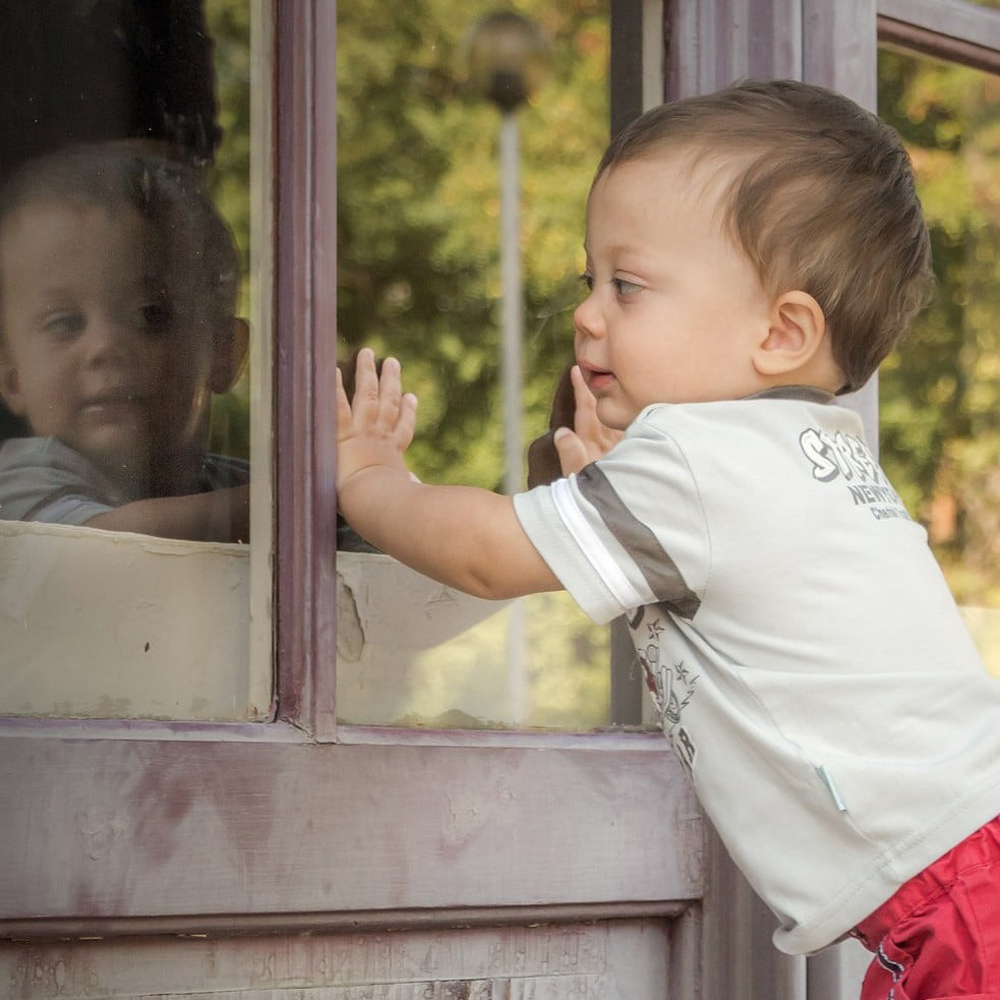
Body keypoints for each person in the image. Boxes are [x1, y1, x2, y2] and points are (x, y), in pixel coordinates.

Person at [335, 79, 1000, 996]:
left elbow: (488, 554)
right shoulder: (812, 453)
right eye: (589, 282)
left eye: (629, 285)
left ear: (781, 330)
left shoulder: (701, 461)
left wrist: (370, 480)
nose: (588, 314)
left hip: (963, 899)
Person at [0, 144, 249, 542]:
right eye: (64, 322)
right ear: (12, 376)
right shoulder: (19, 479)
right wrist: (299, 502)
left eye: (150, 315)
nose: (106, 346)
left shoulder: (238, 484)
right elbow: (100, 546)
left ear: (224, 350)